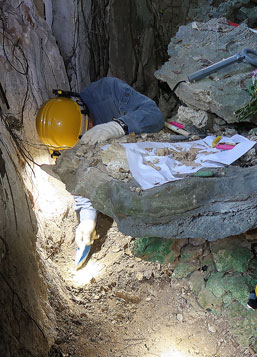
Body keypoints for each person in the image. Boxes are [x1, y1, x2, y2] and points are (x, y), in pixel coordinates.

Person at [35, 77, 164, 268]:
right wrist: (86, 220)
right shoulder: (61, 138)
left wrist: (117, 126)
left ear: (83, 113)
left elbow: (154, 116)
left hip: (151, 158)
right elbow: (80, 176)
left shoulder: (108, 91)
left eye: (88, 129)